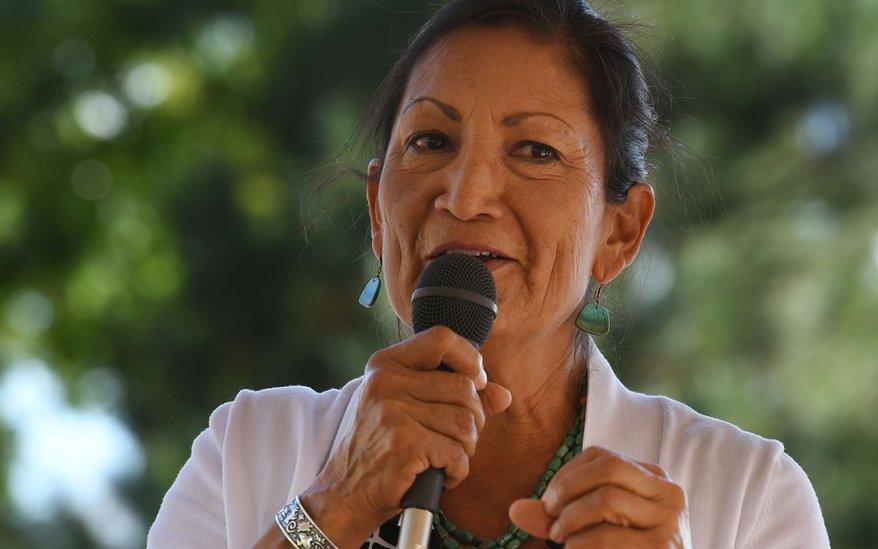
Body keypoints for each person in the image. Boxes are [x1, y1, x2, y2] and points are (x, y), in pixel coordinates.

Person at [148, 1, 831, 547]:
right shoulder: (247, 449)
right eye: (430, 141)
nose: (465, 196)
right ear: (378, 212)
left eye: (534, 150)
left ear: (619, 231)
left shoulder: (746, 493)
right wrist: (331, 510)